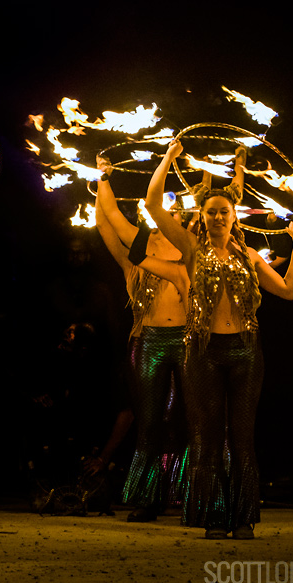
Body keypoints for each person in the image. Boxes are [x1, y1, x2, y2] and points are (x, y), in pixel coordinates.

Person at [144, 139, 293, 540]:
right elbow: (153, 204)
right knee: (207, 436)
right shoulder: (192, 248)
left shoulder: (250, 256)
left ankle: (243, 518)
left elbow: (288, 291)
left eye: (223, 212)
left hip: (246, 351)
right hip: (203, 352)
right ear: (203, 215)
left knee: (243, 437)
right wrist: (168, 158)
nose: (217, 217)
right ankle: (215, 517)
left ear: (235, 217)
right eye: (211, 211)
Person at [93, 157, 189, 523]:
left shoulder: (189, 249)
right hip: (147, 341)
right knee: (151, 421)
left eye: (174, 209)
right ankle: (148, 498)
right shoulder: (136, 255)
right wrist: (103, 177)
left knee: (182, 420)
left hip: (186, 341)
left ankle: (185, 495)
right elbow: (107, 221)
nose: (168, 215)